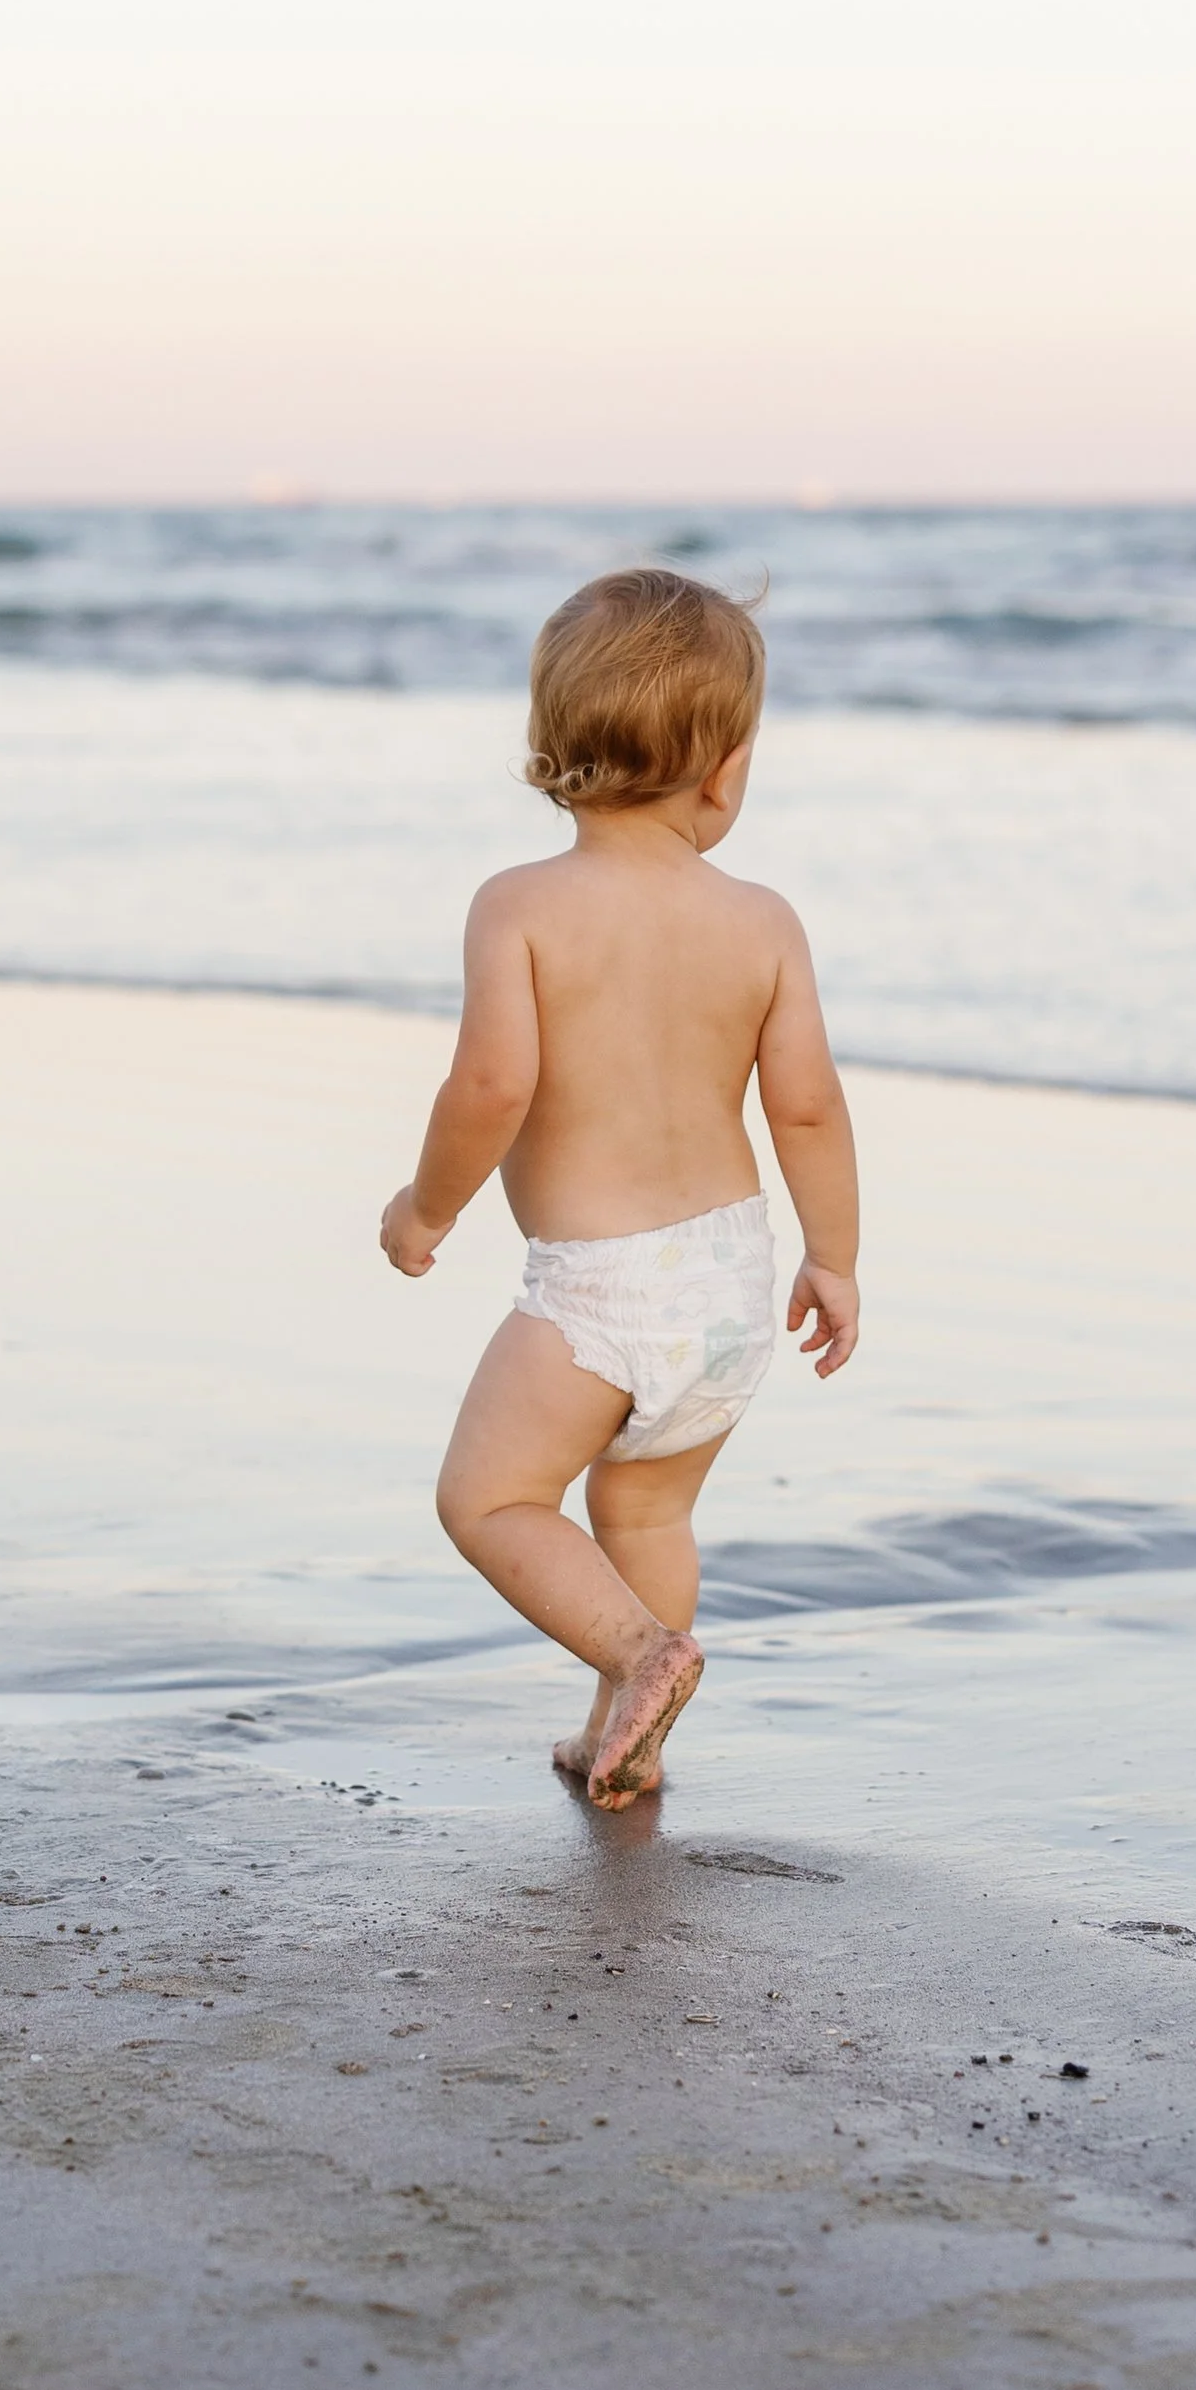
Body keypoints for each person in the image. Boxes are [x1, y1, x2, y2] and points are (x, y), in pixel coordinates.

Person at [380, 566, 860, 1808]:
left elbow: (489, 1089)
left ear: (550, 745)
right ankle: (622, 1728)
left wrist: (426, 1210)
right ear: (726, 769)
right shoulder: (761, 922)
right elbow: (805, 1104)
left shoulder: (522, 908)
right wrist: (835, 1258)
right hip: (730, 1287)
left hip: (600, 1294)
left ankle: (639, 1656)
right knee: (644, 1519)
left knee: (488, 1497)